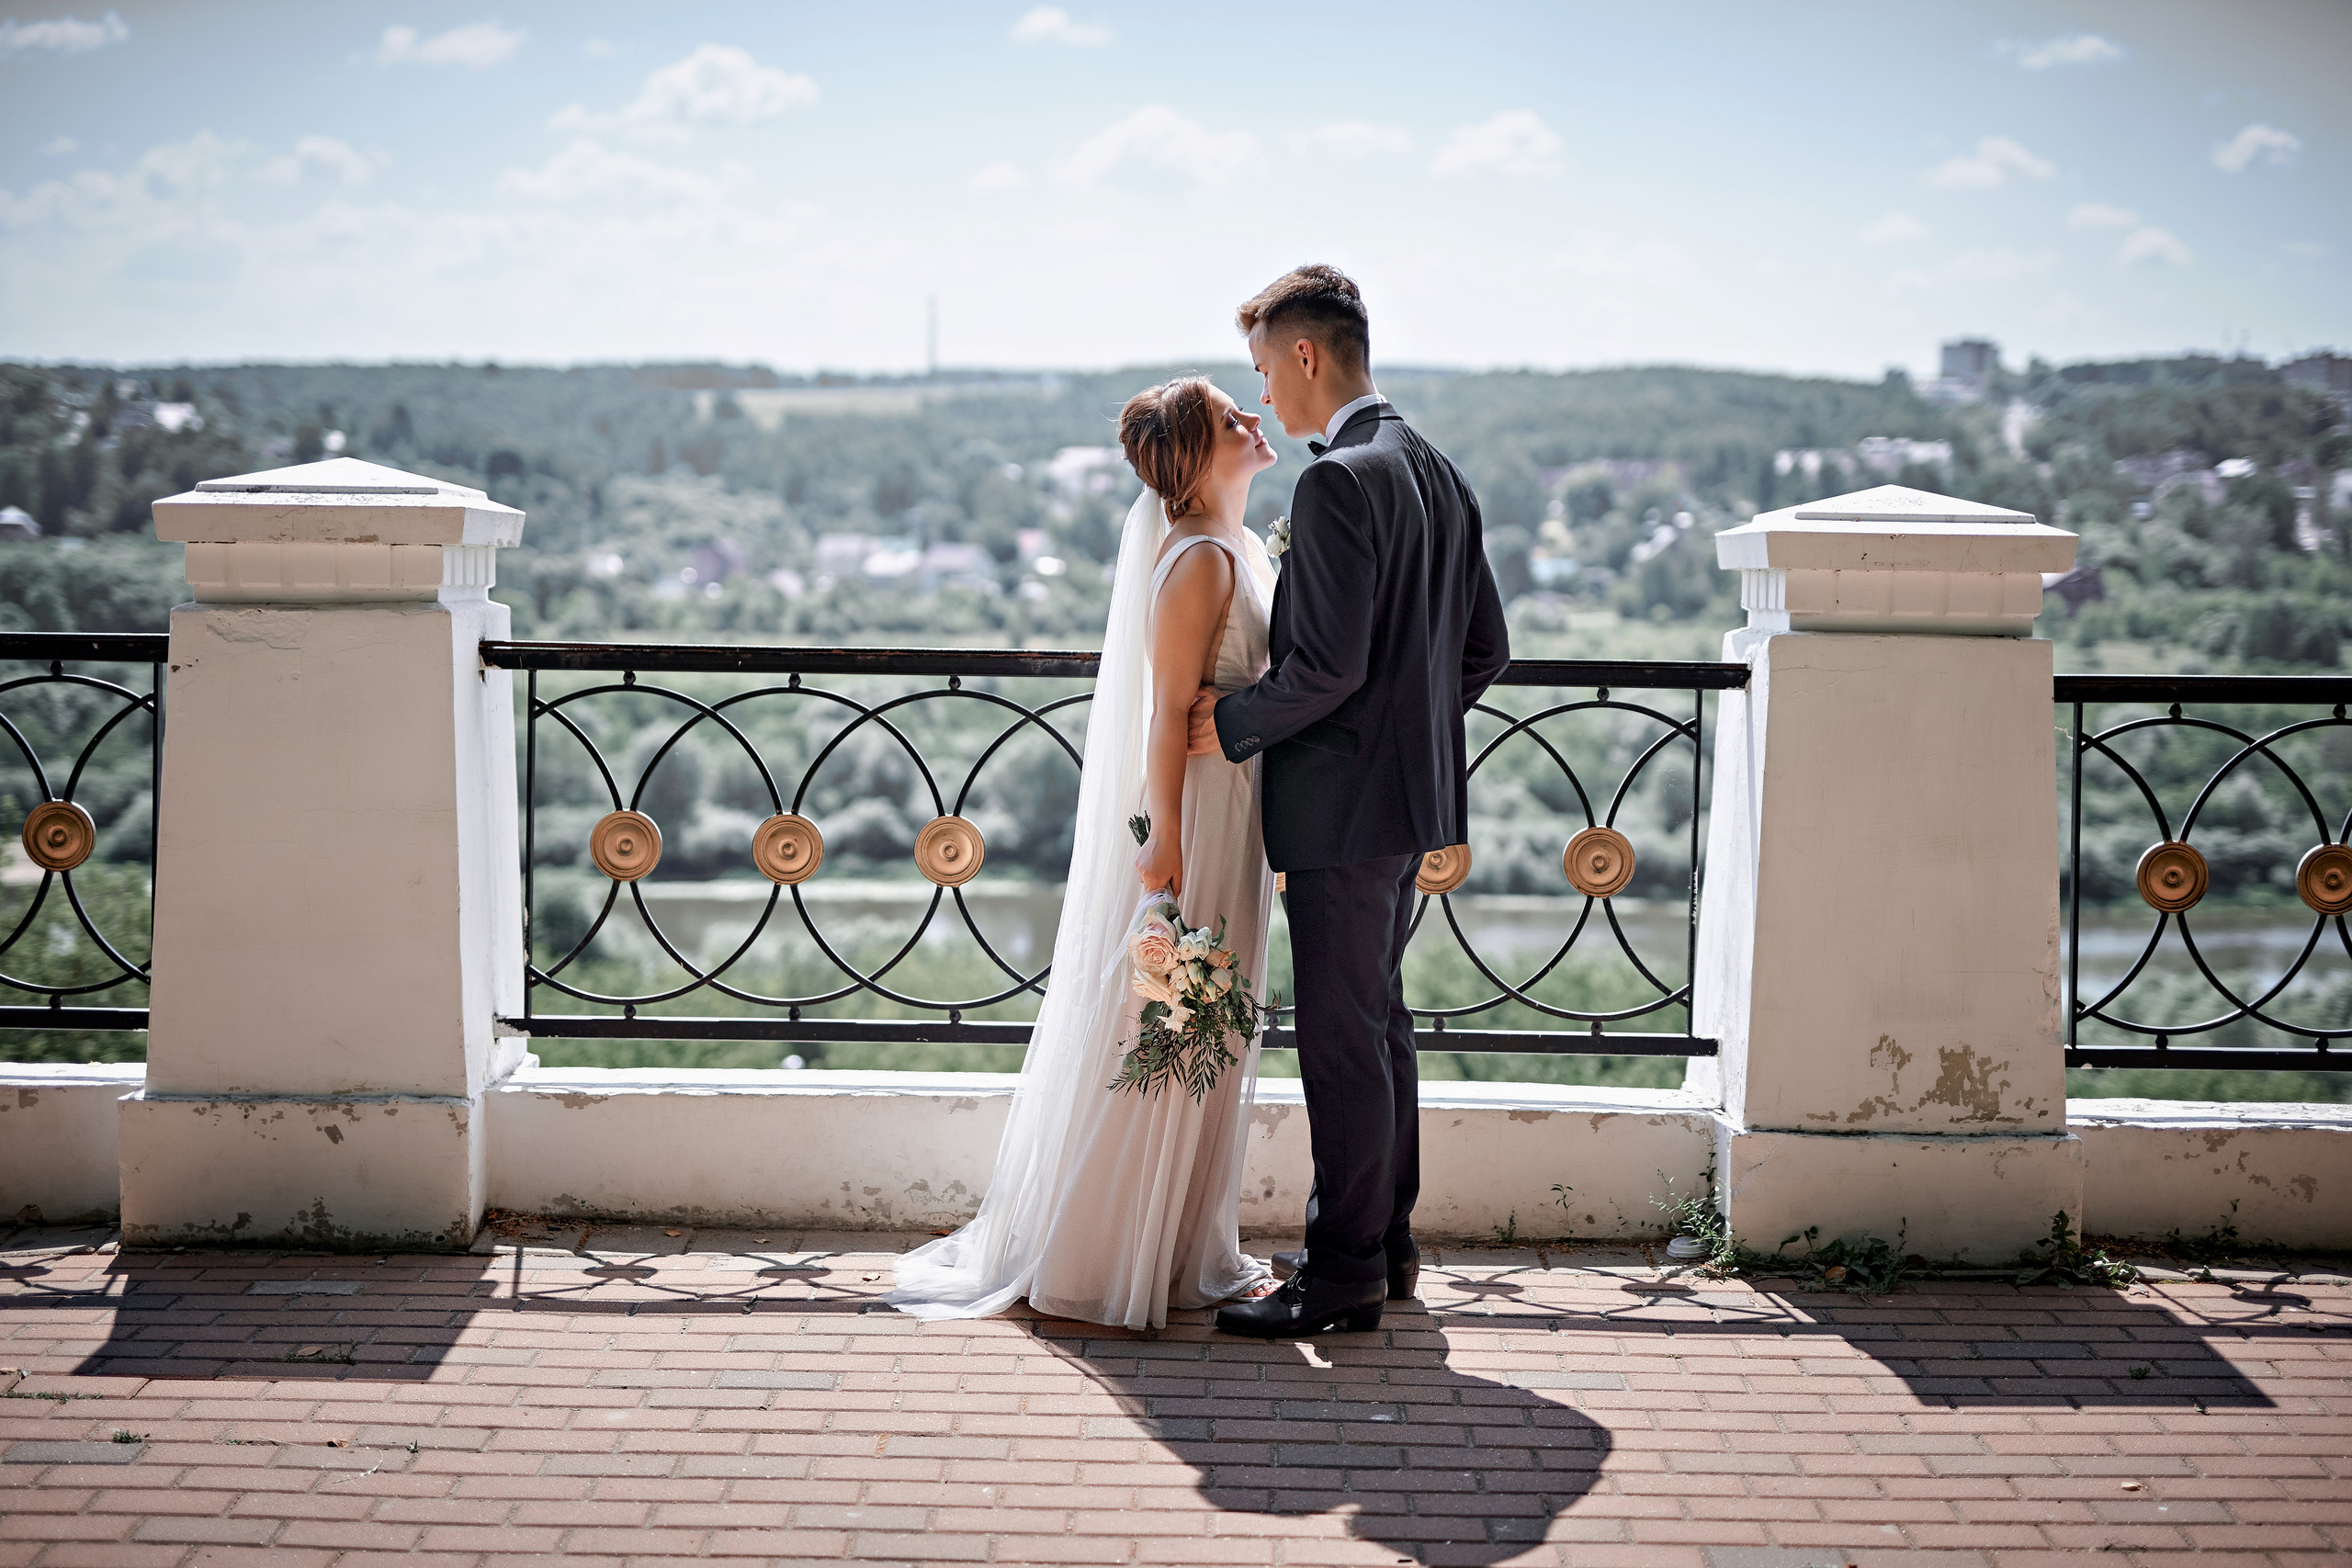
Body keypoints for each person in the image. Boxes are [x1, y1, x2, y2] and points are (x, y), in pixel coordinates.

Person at [888, 376, 1284, 1330]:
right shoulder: (1196, 561)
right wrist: (1169, 850)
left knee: (1206, 1028)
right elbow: (1162, 715)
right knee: (1174, 1025)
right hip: (1201, 818)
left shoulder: (1230, 547)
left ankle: (1184, 1244)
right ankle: (1116, 1252)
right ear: (1192, 461)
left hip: (1234, 806)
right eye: (1232, 420)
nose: (1254, 422)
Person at [1191, 265, 1511, 1338]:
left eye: (1263, 373)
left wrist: (1225, 725)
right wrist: (1407, 737)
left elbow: (1321, 671)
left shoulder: (1335, 483)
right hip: (1407, 806)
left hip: (1338, 814)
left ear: (1305, 357)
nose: (1267, 400)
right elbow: (1484, 650)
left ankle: (1338, 1282)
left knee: (1340, 1040)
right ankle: (1386, 1251)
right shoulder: (1434, 468)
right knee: (1378, 1027)